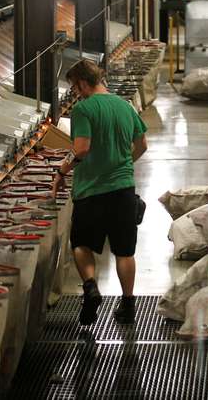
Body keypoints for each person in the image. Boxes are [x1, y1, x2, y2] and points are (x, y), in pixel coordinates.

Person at [52, 59, 148, 326]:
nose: (76, 92)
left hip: (91, 191)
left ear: (83, 82)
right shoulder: (125, 106)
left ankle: (91, 288)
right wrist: (123, 163)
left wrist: (62, 170)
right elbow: (141, 144)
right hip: (123, 189)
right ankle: (128, 306)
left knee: (82, 244)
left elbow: (81, 148)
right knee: (125, 251)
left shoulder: (84, 109)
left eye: (74, 87)